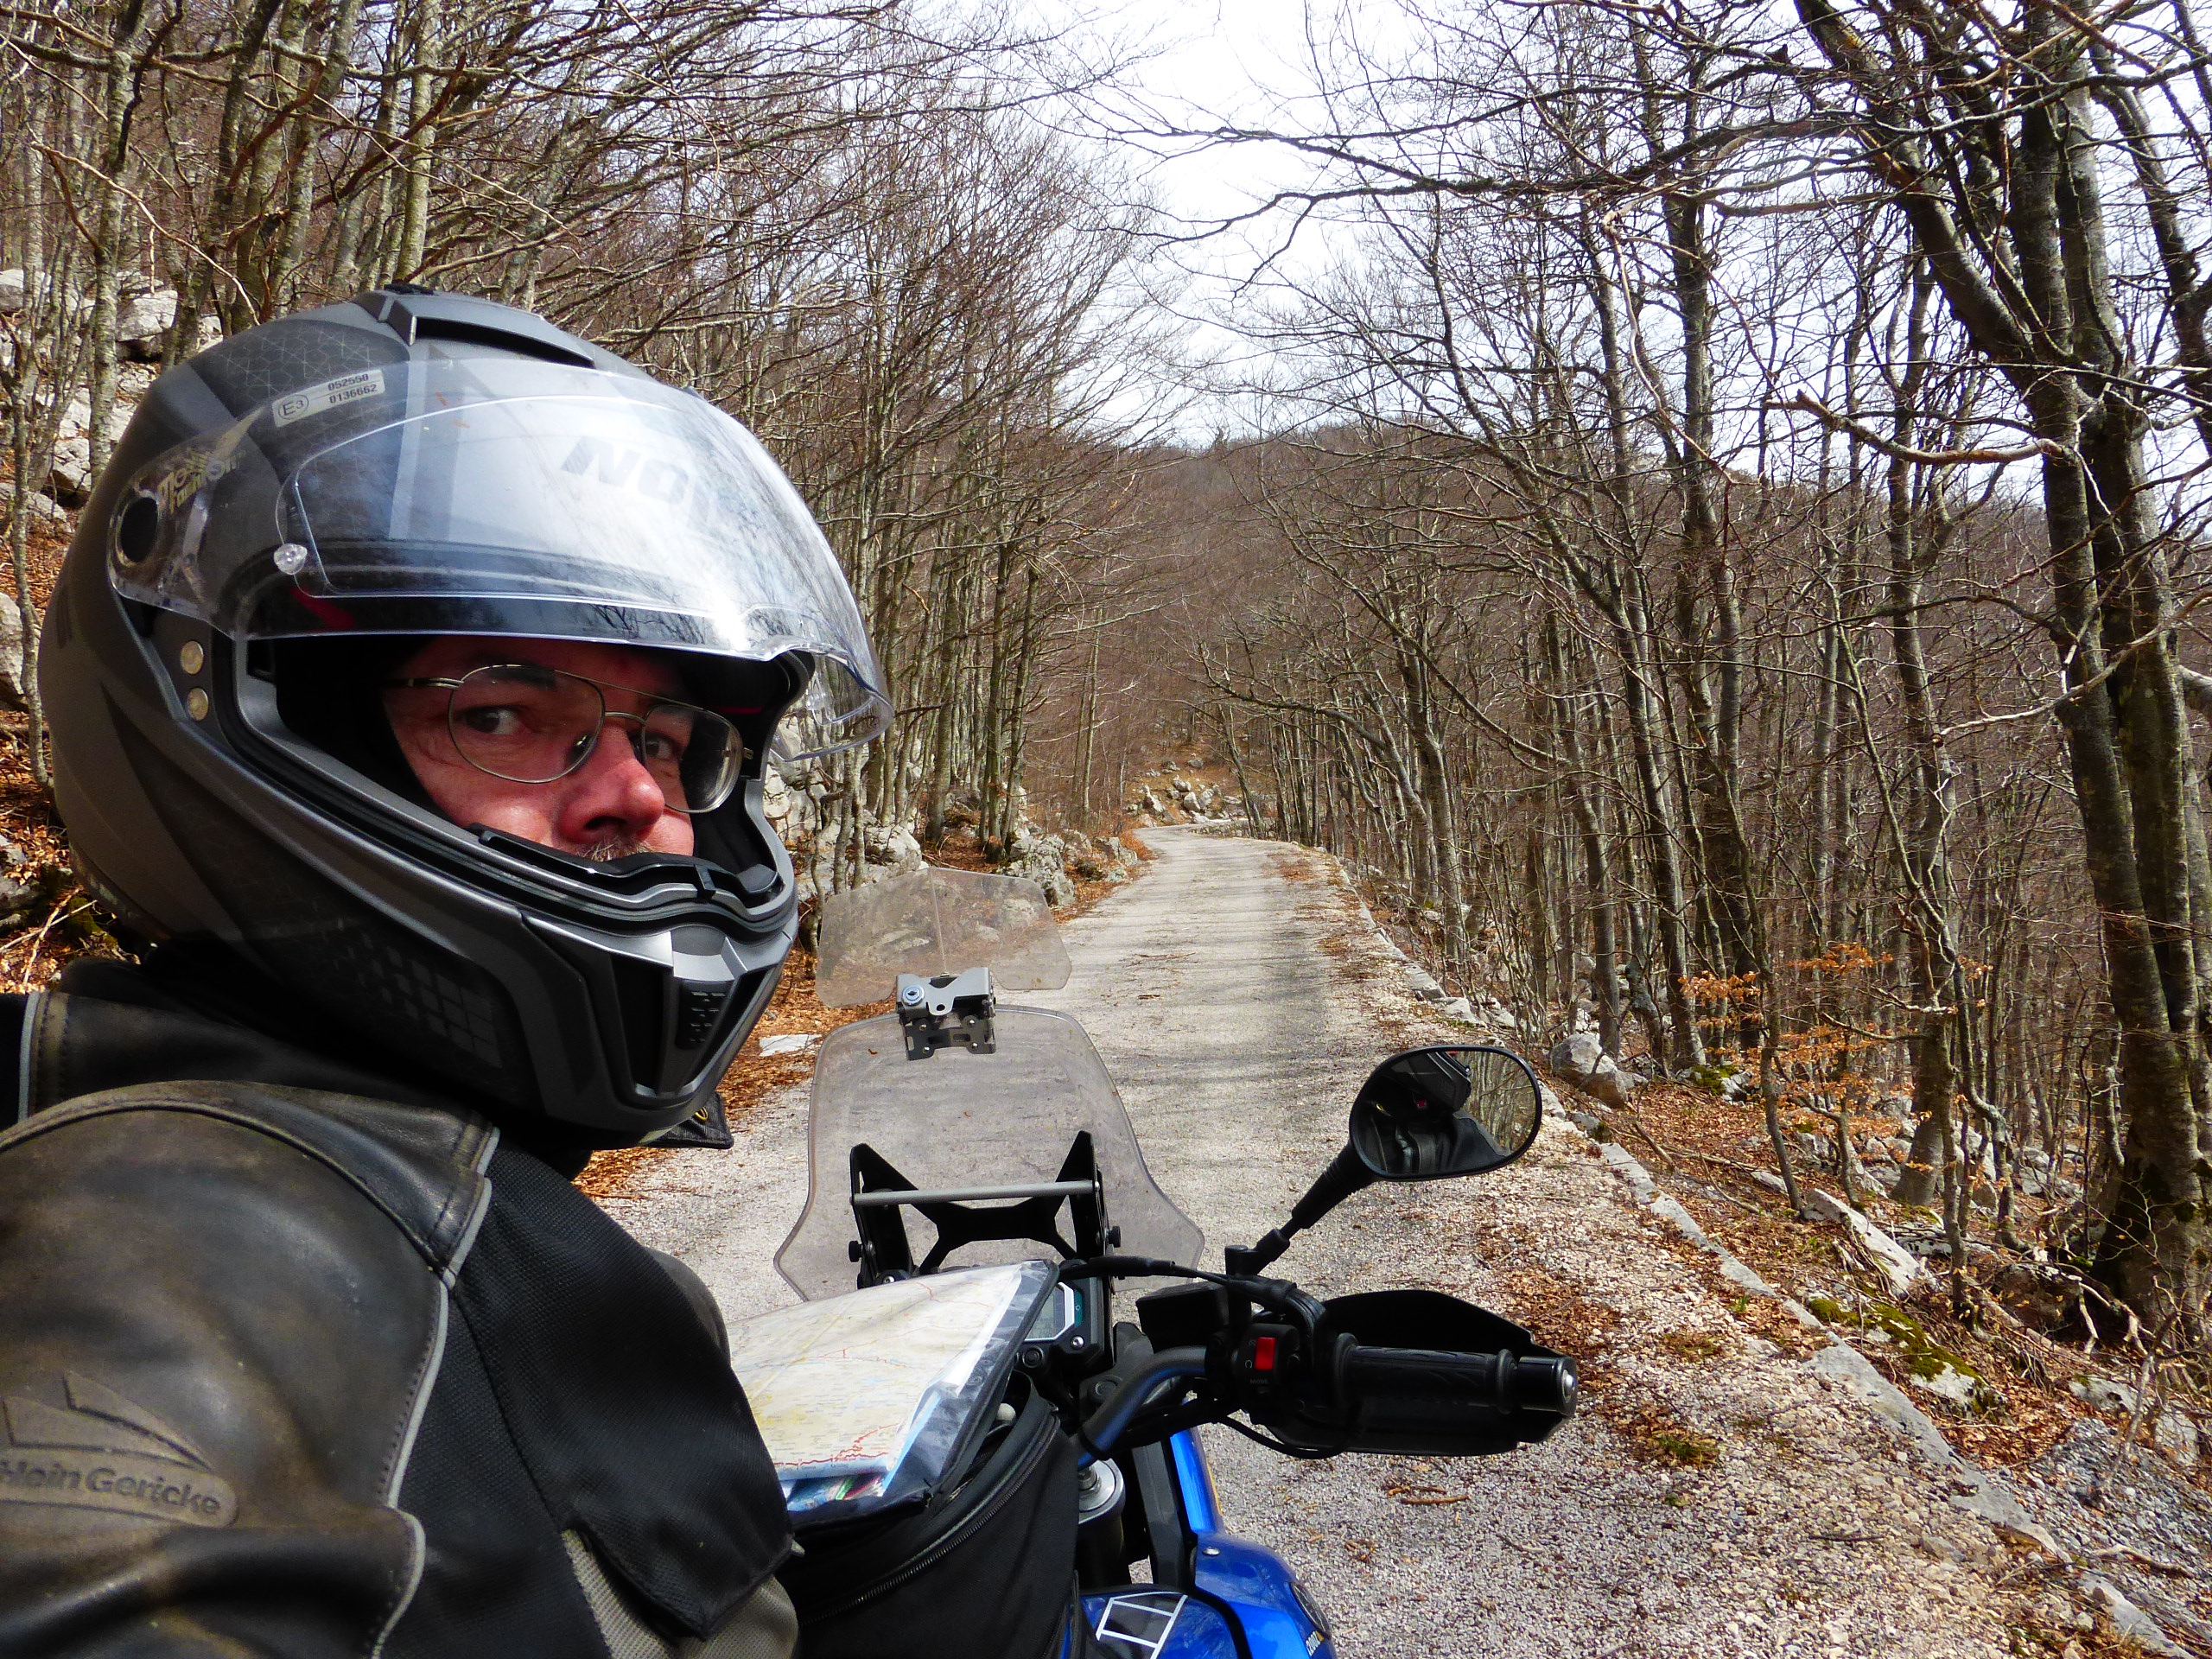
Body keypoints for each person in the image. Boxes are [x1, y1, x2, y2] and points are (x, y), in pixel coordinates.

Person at [0, 287, 892, 1657]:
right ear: (280, 718)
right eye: (505, 712)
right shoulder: (169, 1252)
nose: (639, 801)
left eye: (667, 740)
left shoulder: (415, 1187)